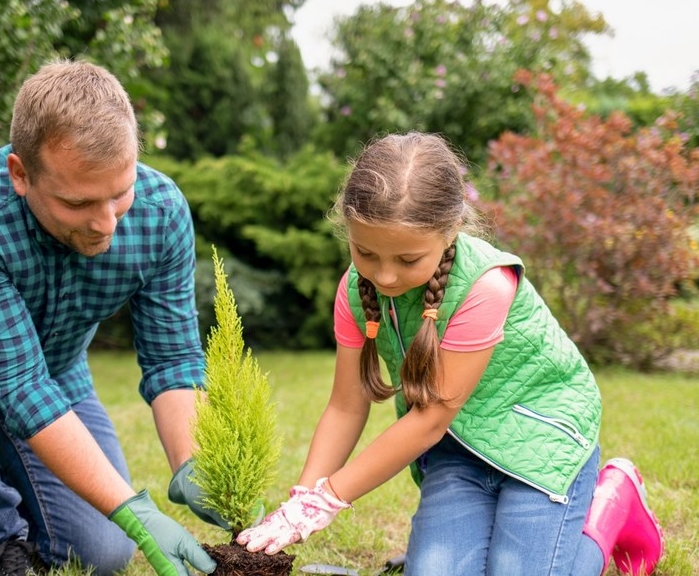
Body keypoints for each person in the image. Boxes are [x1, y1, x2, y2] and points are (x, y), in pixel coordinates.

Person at [236, 132, 665, 575]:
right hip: (459, 449)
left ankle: (612, 502)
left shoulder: (486, 285)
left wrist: (330, 498)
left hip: (540, 437)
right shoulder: (354, 289)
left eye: (407, 260)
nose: (384, 275)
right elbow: (346, 406)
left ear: (451, 230)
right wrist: (302, 501)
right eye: (365, 252)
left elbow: (430, 419)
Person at [0, 60, 219, 576]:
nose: (105, 225)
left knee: (101, 554)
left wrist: (190, 465)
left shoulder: (162, 212)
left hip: (55, 366)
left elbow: (173, 359)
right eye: (78, 202)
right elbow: (21, 385)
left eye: (119, 194)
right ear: (20, 175)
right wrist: (138, 511)